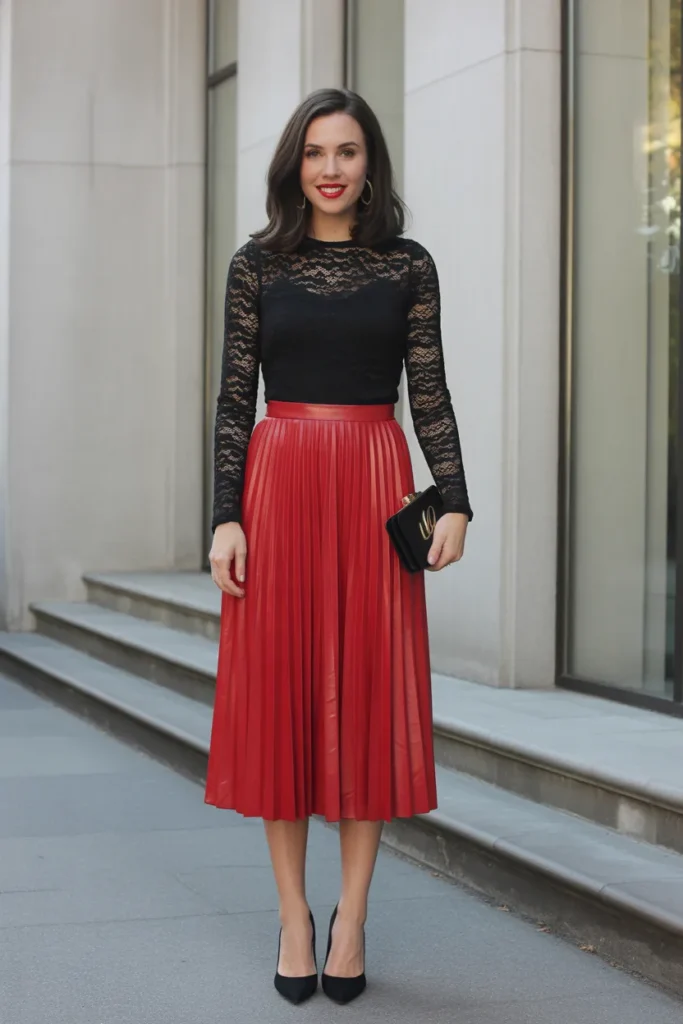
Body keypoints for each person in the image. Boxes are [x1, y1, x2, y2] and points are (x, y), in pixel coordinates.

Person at [204, 87, 472, 1006]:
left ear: (370, 164)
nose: (329, 169)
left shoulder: (408, 265)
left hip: (372, 482)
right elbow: (233, 400)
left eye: (347, 152)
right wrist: (224, 515)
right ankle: (293, 917)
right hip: (277, 486)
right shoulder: (256, 266)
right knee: (279, 699)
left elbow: (427, 391)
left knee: (363, 700)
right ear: (294, 164)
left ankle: (351, 917)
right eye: (315, 152)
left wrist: (456, 502)